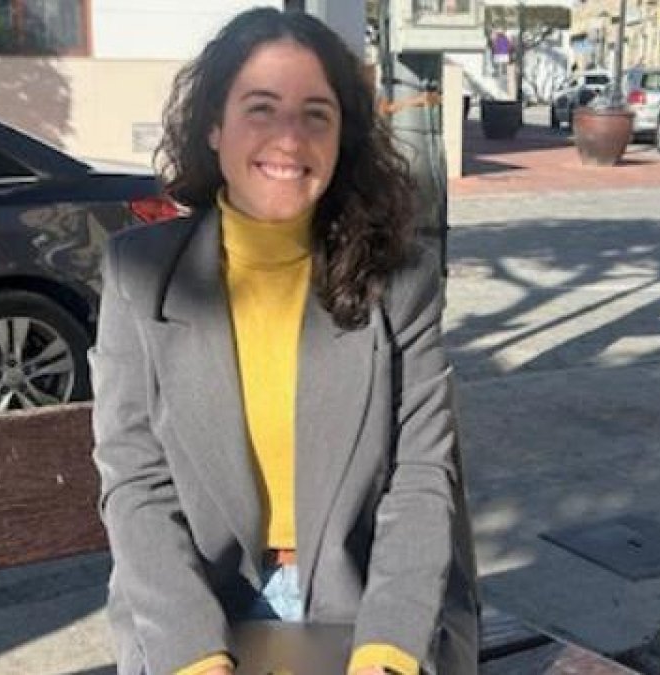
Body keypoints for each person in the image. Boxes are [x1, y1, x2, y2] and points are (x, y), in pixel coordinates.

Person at [89, 8, 479, 675]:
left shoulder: (400, 281)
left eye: (316, 115)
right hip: (197, 606)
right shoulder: (139, 275)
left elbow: (421, 477)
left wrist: (386, 650)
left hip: (367, 604)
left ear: (343, 137)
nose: (290, 139)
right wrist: (193, 655)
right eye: (261, 109)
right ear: (214, 126)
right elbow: (134, 482)